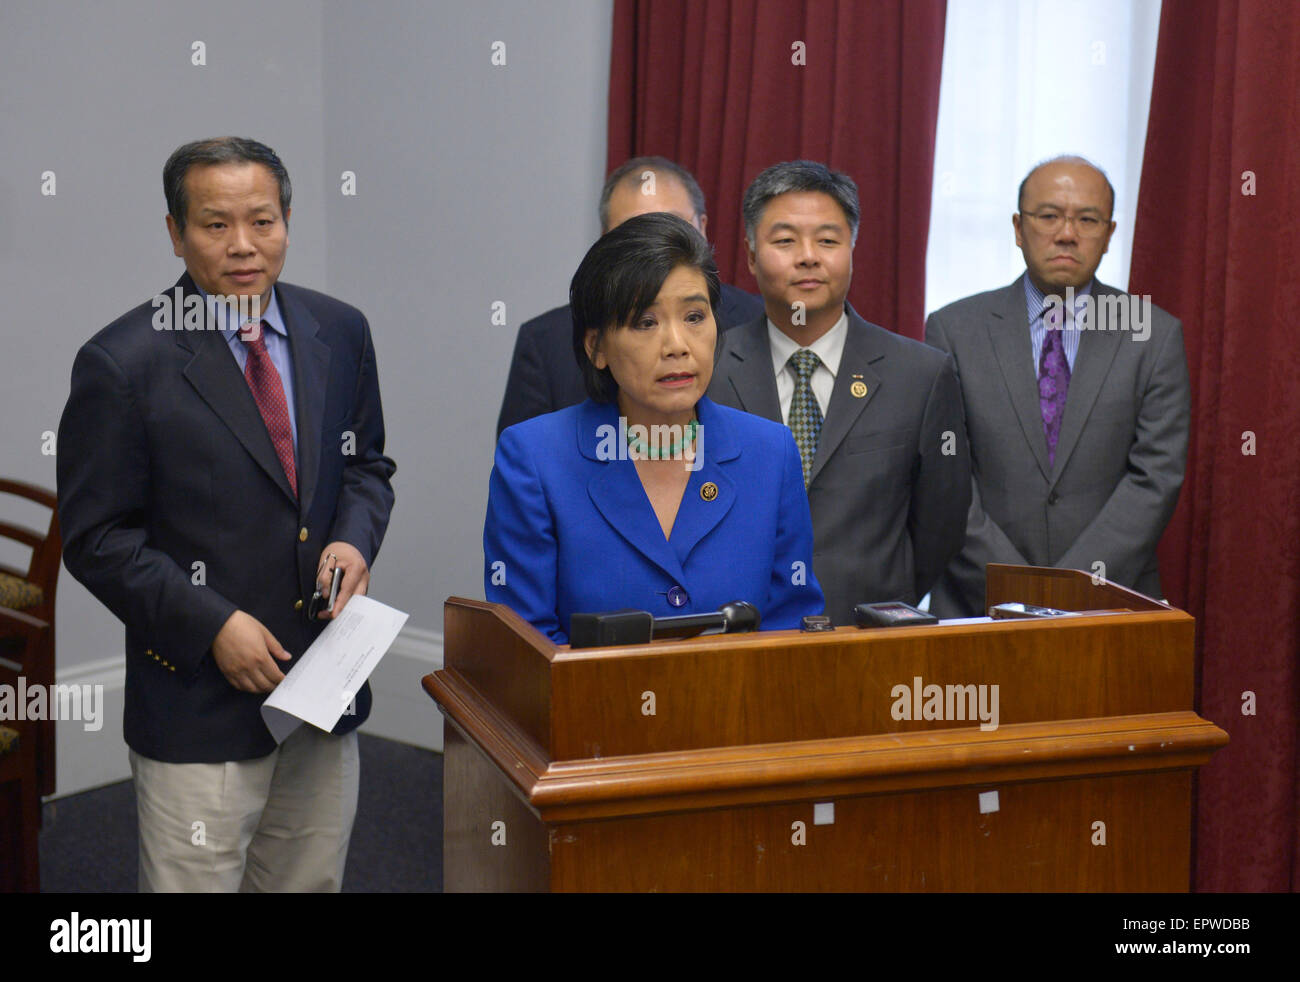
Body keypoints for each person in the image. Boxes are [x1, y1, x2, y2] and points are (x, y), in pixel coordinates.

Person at [56, 137, 396, 891]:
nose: (244, 245)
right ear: (176, 233)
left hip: (322, 688)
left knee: (308, 883)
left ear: (286, 222)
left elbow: (366, 466)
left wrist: (353, 542)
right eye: (215, 225)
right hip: (198, 708)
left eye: (263, 221)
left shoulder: (339, 331)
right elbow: (97, 539)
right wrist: (211, 625)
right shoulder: (123, 361)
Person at [484, 212, 823, 642]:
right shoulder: (534, 458)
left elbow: (790, 626)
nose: (678, 345)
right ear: (597, 347)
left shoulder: (770, 451)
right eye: (646, 322)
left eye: (695, 317)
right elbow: (526, 646)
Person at [925, 155, 1189, 616]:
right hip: (978, 602)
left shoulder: (1152, 333)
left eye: (1087, 219)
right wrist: (1017, 588)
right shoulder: (953, 330)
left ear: (1108, 234)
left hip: (1111, 603)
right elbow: (947, 479)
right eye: (1048, 216)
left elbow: (1156, 477)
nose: (1066, 233)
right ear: (1018, 228)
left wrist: (1073, 585)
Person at [708, 161, 970, 625]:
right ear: (750, 256)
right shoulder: (707, 369)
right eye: (785, 240)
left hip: (869, 633)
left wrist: (892, 596)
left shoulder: (921, 374)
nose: (808, 256)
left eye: (827, 240)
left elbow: (941, 525)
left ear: (851, 249)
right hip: (737, 635)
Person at [496, 155, 764, 436]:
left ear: (703, 228)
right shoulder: (545, 341)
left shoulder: (756, 320)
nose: (656, 249)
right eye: (645, 322)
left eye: (694, 318)